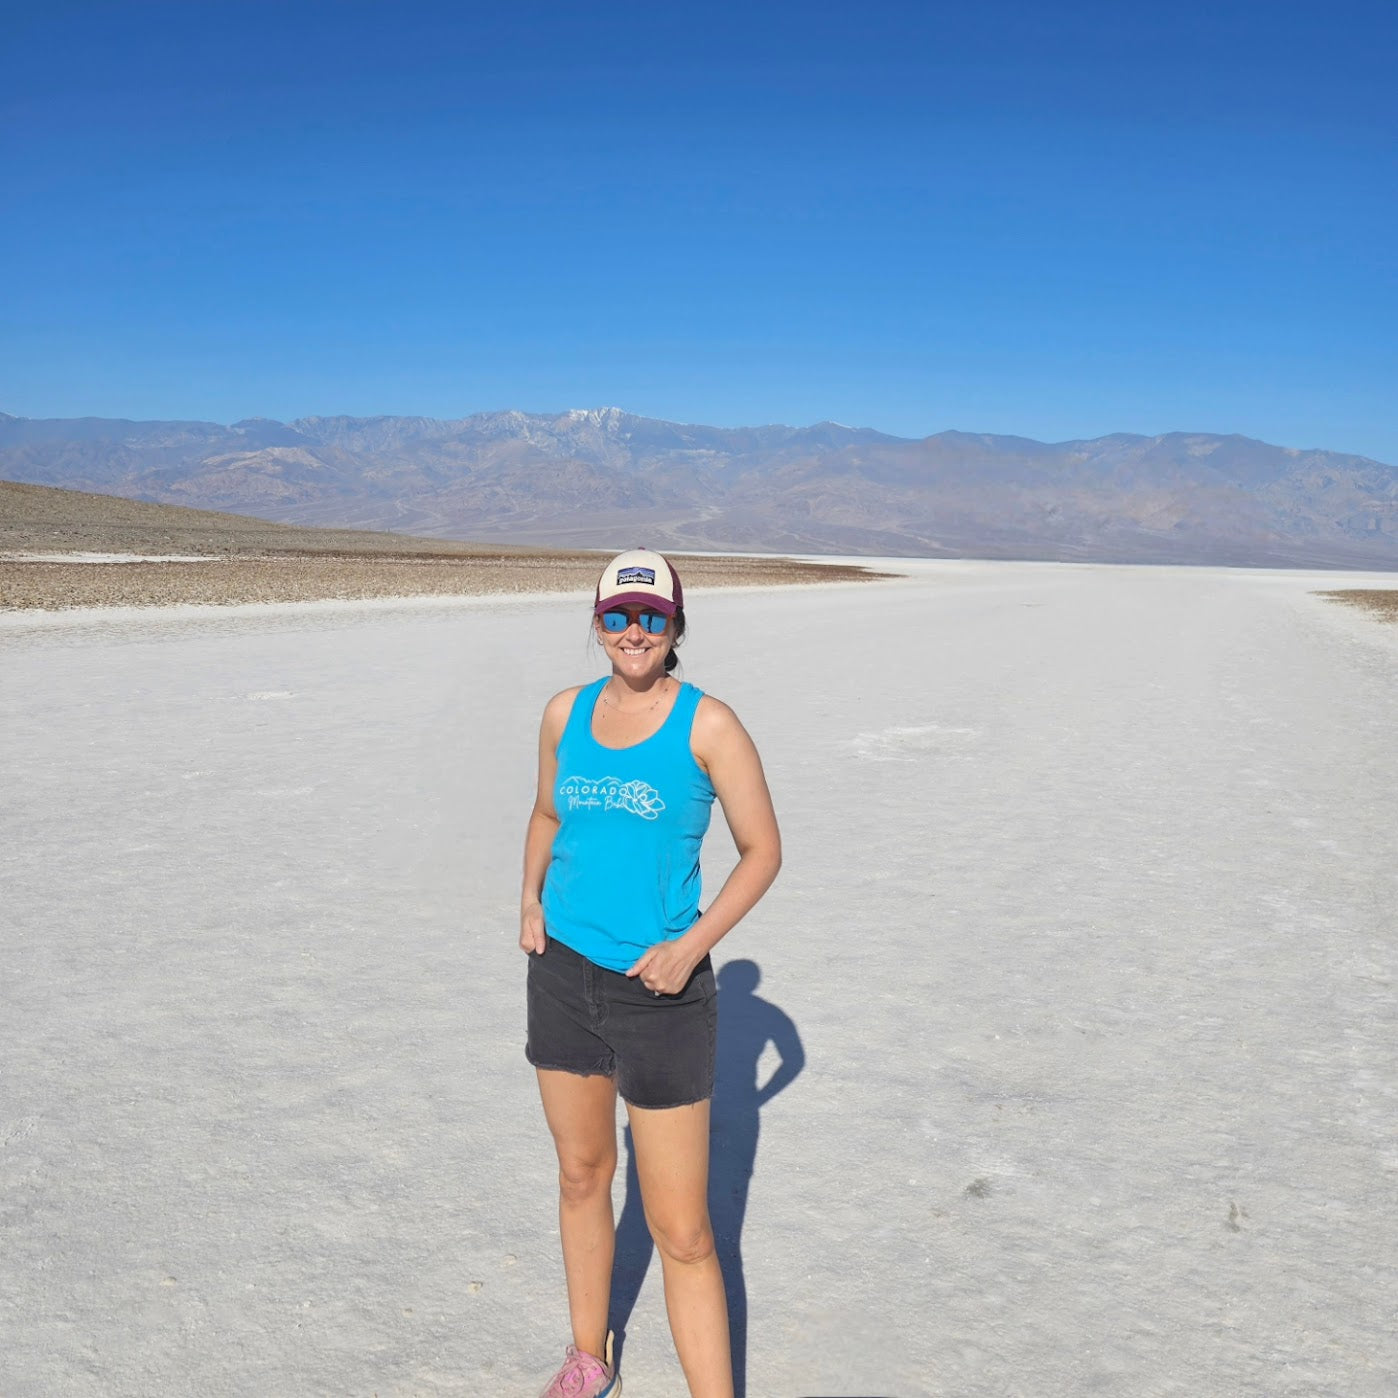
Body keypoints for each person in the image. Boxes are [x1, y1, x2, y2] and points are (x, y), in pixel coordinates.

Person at [521, 548, 782, 1398]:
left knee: (683, 1229)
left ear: (676, 629)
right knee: (581, 1174)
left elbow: (761, 852)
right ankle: (589, 1358)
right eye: (618, 617)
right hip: (563, 978)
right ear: (597, 624)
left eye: (652, 618)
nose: (634, 633)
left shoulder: (710, 726)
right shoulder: (566, 711)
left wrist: (689, 945)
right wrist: (529, 899)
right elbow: (547, 810)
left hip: (662, 997)